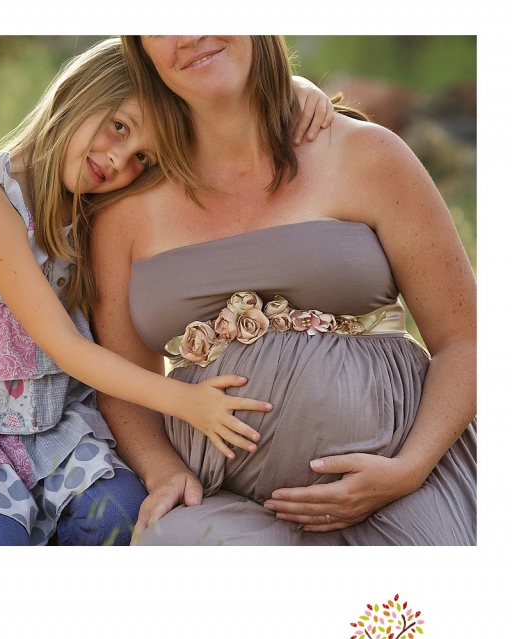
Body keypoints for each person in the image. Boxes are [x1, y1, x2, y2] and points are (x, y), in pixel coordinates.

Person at [0, 36, 335, 546]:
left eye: (143, 157)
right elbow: (64, 346)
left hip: (52, 426)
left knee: (120, 514)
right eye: (119, 127)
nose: (119, 160)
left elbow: (221, 125)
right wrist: (186, 401)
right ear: (77, 93)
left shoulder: (90, 204)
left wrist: (290, 89)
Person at [90, 35, 477, 546]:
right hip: (220, 498)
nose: (189, 34)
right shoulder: (123, 211)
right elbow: (122, 384)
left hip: (404, 480)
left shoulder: (367, 154)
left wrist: (409, 468)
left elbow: (466, 341)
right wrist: (163, 470)